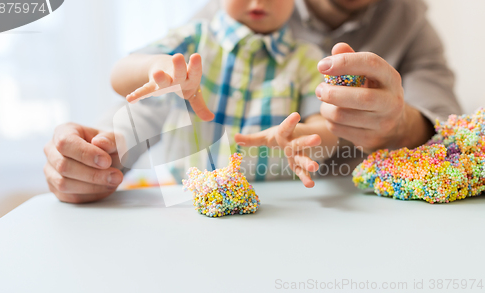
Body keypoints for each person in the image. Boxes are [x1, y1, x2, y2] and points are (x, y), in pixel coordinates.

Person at [44, 0, 462, 203]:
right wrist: (160, 71)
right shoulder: (198, 39)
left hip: (272, 205)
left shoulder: (303, 59)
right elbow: (128, 85)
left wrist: (301, 137)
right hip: (180, 202)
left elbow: (322, 125)